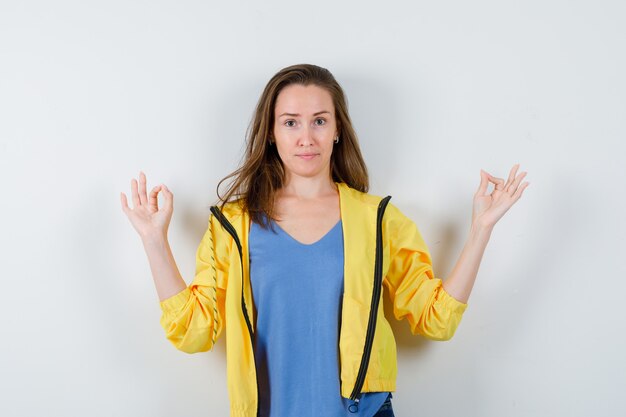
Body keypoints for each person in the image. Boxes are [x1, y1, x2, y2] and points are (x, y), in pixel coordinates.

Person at [120, 63, 529, 417]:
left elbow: (437, 320)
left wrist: (480, 230)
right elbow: (193, 331)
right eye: (290, 122)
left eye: (319, 120)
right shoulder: (234, 225)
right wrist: (154, 240)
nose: (306, 137)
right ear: (271, 134)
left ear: (337, 130)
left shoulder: (377, 219)